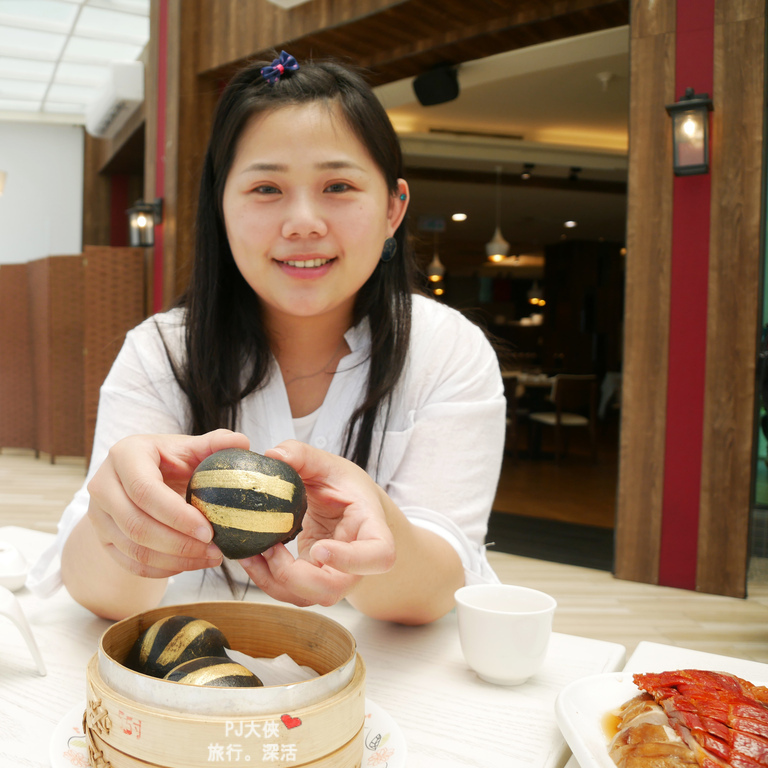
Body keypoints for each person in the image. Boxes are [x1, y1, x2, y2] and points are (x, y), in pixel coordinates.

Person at [27, 52, 506, 625]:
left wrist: (366, 523)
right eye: (265, 189)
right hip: (193, 666)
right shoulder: (161, 350)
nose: (303, 221)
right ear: (221, 209)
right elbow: (99, 594)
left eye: (338, 185)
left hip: (383, 679)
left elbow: (432, 593)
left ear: (393, 209)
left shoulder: (448, 350)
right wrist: (124, 517)